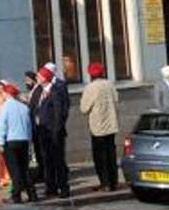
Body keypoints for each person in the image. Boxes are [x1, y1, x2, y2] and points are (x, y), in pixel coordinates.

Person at [78, 62, 119, 192]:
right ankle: (114, 182)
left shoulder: (90, 88)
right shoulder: (109, 84)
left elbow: (84, 108)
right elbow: (116, 100)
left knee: (100, 157)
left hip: (98, 127)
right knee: (111, 154)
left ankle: (105, 183)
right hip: (111, 125)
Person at [0, 82, 36, 202]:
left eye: (3, 92)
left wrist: (0, 142)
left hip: (11, 141)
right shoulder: (24, 107)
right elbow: (29, 126)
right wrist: (29, 140)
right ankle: (32, 194)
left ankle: (16, 195)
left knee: (15, 170)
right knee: (24, 168)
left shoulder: (4, 107)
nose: (2, 95)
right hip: (23, 140)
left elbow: (2, 126)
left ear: (7, 94)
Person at [35, 63, 71, 198]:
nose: (37, 77)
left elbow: (59, 113)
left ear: (46, 77)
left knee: (58, 161)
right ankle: (51, 188)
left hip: (54, 133)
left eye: (39, 75)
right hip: (42, 132)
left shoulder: (55, 91)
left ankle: (64, 188)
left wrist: (56, 130)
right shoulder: (39, 91)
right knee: (46, 160)